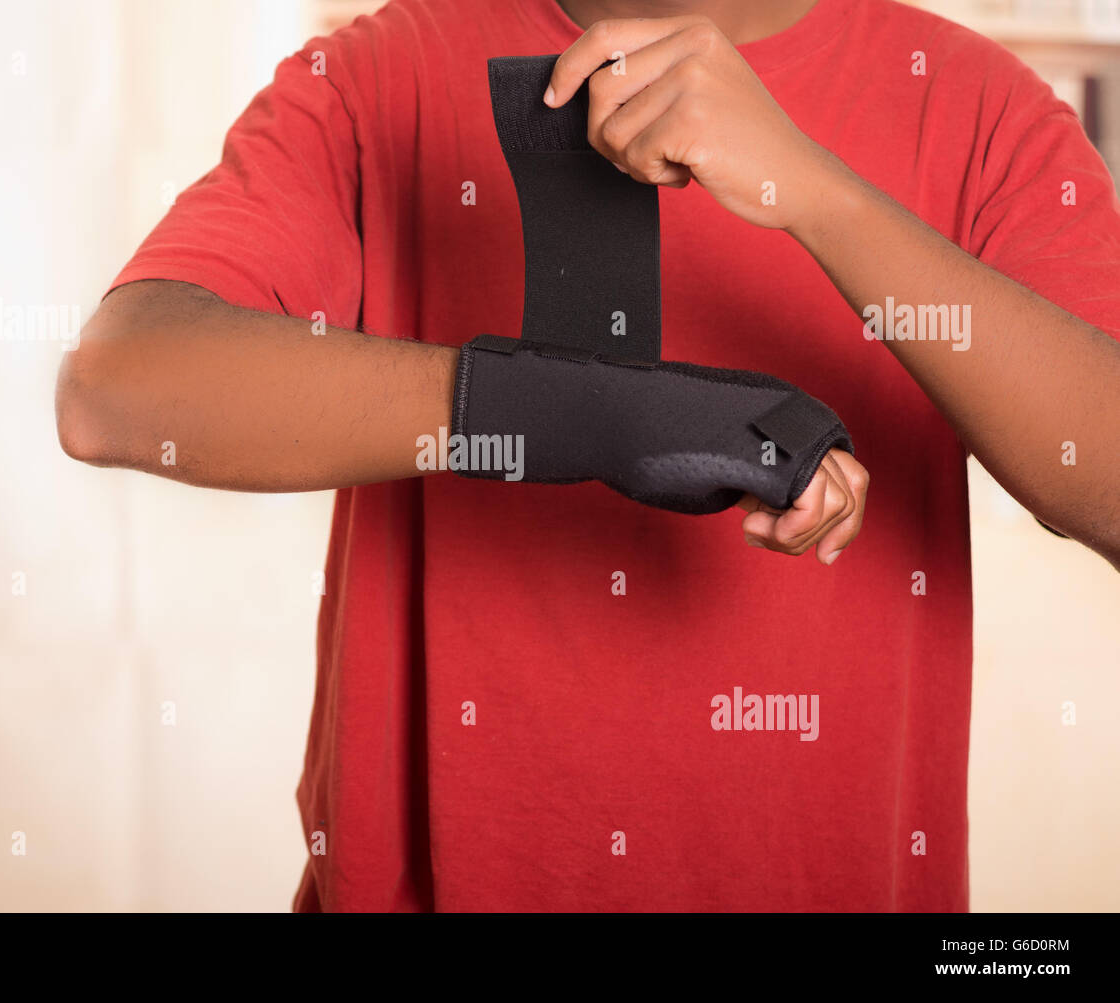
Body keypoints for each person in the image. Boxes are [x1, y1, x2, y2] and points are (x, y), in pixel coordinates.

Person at [55, 0, 1120, 911]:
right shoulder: (379, 74)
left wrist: (815, 192)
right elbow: (117, 389)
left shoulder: (978, 108)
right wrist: (582, 411)